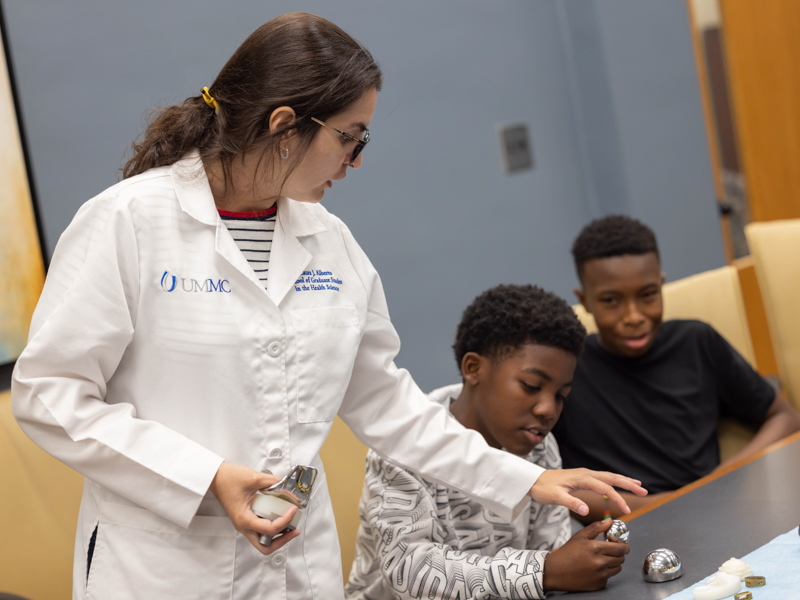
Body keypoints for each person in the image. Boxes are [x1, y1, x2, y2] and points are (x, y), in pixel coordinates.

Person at [11, 14, 644, 599]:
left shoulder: (329, 243)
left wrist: (527, 480)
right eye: (350, 138)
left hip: (295, 558)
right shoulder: (127, 222)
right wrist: (207, 477)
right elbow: (49, 394)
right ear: (285, 125)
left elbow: (386, 403)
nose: (356, 161)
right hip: (163, 565)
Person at [345, 284, 631, 600]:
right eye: (531, 385)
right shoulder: (401, 446)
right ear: (474, 368)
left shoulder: (539, 445)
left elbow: (554, 555)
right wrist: (544, 572)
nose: (548, 409)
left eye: (561, 396)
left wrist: (579, 563)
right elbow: (408, 574)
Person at [552, 215, 800, 521]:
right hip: (625, 529)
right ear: (584, 300)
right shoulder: (565, 370)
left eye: (647, 295)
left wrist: (720, 481)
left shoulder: (697, 342)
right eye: (611, 300)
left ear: (661, 285)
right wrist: (664, 506)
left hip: (716, 514)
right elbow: (560, 487)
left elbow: (784, 417)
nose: (634, 316)